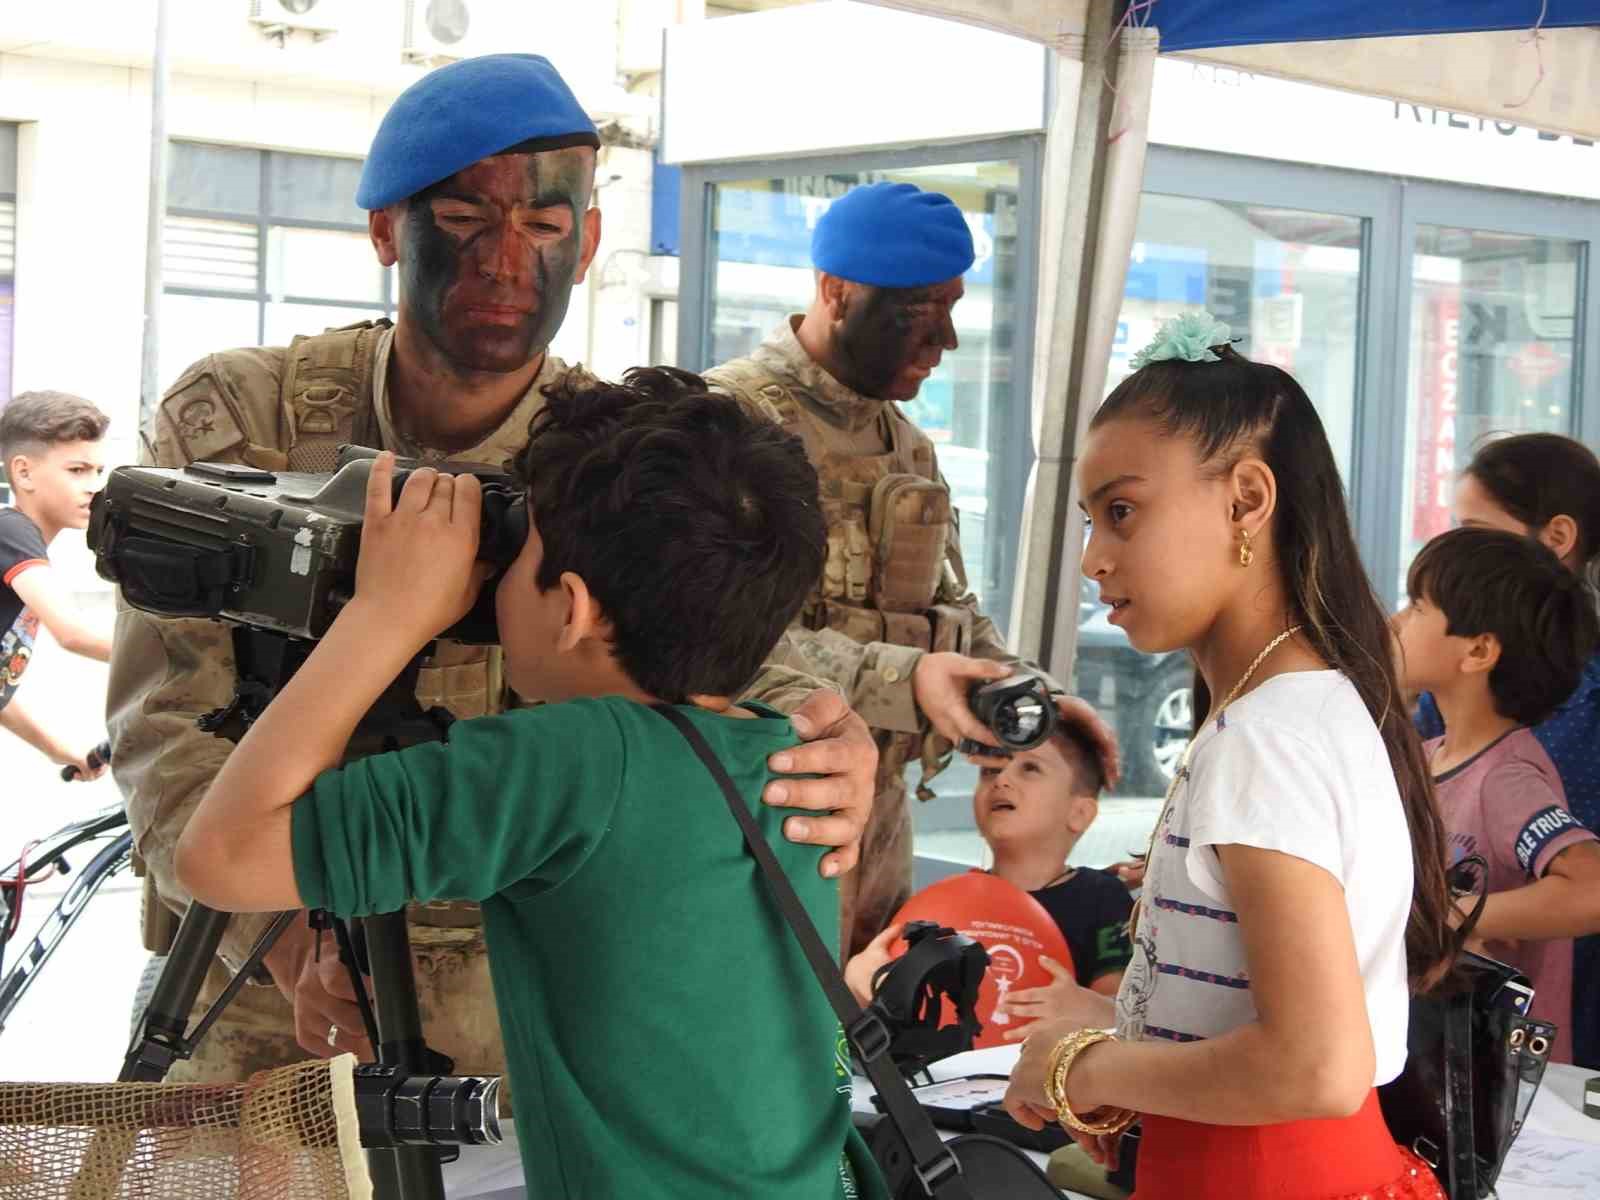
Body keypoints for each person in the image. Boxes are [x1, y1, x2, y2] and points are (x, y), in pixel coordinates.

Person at [107, 54, 879, 1106]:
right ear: (387, 228)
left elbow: (728, 661)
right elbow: (165, 728)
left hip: (509, 999)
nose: (507, 259)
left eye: (547, 227)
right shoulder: (247, 420)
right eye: (467, 218)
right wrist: (290, 946)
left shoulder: (610, 460)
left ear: (592, 241)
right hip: (263, 984)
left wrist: (827, 749)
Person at [175, 371, 889, 1199]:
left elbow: (219, 857)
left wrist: (389, 612)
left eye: (522, 556)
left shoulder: (570, 766)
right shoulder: (786, 751)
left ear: (574, 608)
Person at [1001, 312, 1456, 1200]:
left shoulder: (1267, 738)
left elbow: (1315, 1067)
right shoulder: (1295, 708)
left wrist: (1084, 1069)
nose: (1095, 559)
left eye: (1122, 513)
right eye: (1090, 521)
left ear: (1247, 500)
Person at [705, 181, 1113, 957]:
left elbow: (948, 605)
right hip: (765, 810)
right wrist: (904, 680)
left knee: (869, 1044)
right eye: (920, 317)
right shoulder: (727, 424)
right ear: (836, 293)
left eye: (954, 310)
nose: (946, 343)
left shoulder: (907, 447)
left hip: (880, 818)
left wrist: (1030, 692)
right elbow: (711, 636)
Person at [1415, 432, 1600, 1067]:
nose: (1397, 620)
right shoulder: (1433, 736)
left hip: (1526, 1044)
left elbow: (1586, 886)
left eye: (1476, 530)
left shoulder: (1510, 770)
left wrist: (1457, 911)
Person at [844, 718, 1131, 1029]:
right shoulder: (946, 902)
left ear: (1079, 813)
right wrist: (859, 981)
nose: (1002, 779)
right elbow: (894, 998)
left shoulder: (1103, 897)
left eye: (1030, 768)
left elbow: (1123, 1012)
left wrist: (1088, 1010)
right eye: (990, 770)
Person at [0, 390, 112, 779]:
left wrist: (58, 751)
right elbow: (72, 635)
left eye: (98, 471)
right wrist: (162, 660)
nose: (94, 486)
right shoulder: (11, 532)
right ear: (24, 472)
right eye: (77, 470)